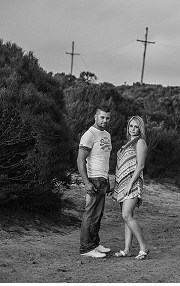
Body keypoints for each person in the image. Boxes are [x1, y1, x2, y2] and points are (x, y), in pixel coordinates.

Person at [111, 116, 150, 260]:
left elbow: (140, 166)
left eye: (136, 126)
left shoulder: (140, 142)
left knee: (126, 215)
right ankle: (127, 249)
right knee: (128, 217)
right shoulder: (128, 143)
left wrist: (129, 184)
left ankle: (143, 246)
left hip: (132, 183)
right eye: (130, 126)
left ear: (140, 128)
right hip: (122, 184)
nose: (133, 129)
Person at [77, 105, 114, 258]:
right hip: (93, 179)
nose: (105, 120)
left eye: (107, 118)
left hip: (102, 179)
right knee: (90, 213)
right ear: (95, 116)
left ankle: (94, 244)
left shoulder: (106, 134)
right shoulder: (89, 134)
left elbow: (104, 159)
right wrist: (86, 182)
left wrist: (107, 179)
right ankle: (86, 248)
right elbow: (80, 160)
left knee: (98, 215)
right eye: (102, 117)